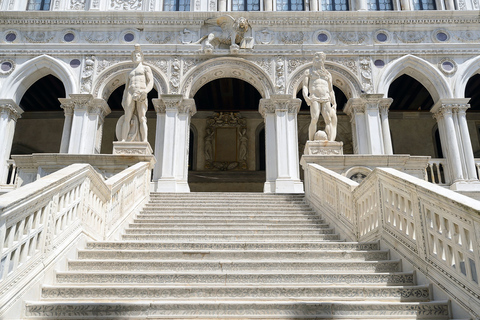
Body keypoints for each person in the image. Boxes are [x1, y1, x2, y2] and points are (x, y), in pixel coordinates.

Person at [120, 44, 153, 142]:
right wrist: (124, 98)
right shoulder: (129, 72)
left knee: (142, 117)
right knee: (127, 117)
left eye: (138, 55)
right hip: (130, 92)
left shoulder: (146, 68)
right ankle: (123, 139)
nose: (136, 57)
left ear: (142, 57)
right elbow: (126, 88)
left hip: (141, 92)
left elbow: (151, 81)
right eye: (134, 56)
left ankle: (144, 140)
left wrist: (145, 91)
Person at [302, 52, 337, 142]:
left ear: (323, 60)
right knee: (314, 118)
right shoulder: (308, 72)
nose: (316, 60)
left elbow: (330, 89)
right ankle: (311, 141)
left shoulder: (328, 74)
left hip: (326, 97)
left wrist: (334, 102)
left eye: (319, 59)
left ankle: (330, 141)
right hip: (314, 97)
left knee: (328, 119)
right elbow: (305, 85)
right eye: (315, 58)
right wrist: (305, 95)